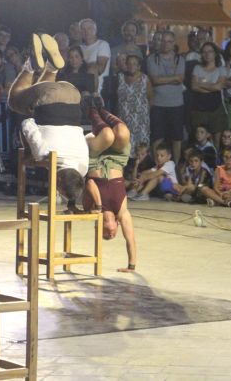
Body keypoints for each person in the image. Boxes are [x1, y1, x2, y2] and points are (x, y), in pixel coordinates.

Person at [8, 33, 87, 210]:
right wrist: (31, 151)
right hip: (49, 98)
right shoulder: (44, 154)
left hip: (73, 94)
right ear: (57, 181)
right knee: (15, 100)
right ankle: (31, 65)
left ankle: (52, 67)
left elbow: (73, 184)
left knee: (38, 96)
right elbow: (27, 124)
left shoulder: (83, 166)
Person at [83, 105, 137, 272]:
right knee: (122, 132)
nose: (110, 234)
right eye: (112, 235)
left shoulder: (91, 211)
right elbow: (130, 240)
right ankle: (103, 108)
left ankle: (92, 109)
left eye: (105, 235)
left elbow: (90, 184)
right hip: (116, 160)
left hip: (93, 158)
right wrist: (131, 266)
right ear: (116, 226)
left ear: (99, 229)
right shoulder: (122, 213)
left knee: (107, 136)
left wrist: (98, 206)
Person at [147, 31, 185, 163]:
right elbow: (155, 80)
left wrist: (162, 79)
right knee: (157, 136)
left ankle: (175, 166)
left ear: (174, 43)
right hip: (158, 104)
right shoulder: (152, 58)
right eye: (163, 41)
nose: (166, 44)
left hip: (176, 104)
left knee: (176, 137)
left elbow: (180, 79)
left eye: (169, 41)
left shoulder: (180, 59)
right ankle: (158, 164)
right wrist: (173, 78)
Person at [190, 42, 228, 148]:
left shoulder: (221, 70)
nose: (207, 54)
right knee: (199, 138)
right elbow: (194, 86)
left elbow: (218, 87)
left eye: (210, 51)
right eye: (204, 52)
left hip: (215, 108)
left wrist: (201, 84)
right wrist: (211, 86)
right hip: (199, 108)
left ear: (215, 53)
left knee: (216, 139)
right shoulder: (197, 68)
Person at [116, 55, 153, 157]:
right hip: (124, 119)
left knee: (141, 147)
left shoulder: (145, 79)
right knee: (125, 145)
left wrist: (143, 113)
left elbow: (151, 98)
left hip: (141, 121)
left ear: (139, 66)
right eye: (129, 63)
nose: (132, 66)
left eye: (134, 64)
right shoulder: (120, 77)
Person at [79, 18, 111, 93]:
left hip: (97, 89)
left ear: (95, 30)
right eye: (83, 29)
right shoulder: (79, 48)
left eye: (89, 28)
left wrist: (83, 66)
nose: (86, 32)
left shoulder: (103, 45)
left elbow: (100, 69)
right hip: (79, 87)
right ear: (80, 32)